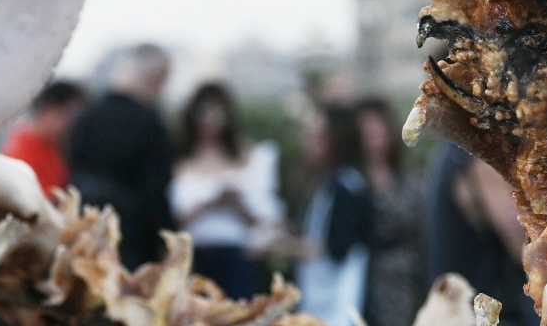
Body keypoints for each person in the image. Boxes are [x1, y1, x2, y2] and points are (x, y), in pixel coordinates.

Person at [169, 82, 284, 300]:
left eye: (218, 115)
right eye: (204, 114)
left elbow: (264, 220)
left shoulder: (248, 156)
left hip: (236, 257)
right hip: (193, 255)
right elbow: (169, 219)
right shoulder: (178, 159)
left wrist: (236, 204)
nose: (211, 123)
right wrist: (206, 205)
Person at [67, 44, 175, 269]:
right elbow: (155, 194)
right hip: (132, 244)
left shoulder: (86, 118)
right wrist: (167, 243)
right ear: (156, 78)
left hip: (84, 236)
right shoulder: (150, 125)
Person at [425, 144, 539, 326]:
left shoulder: (453, 154)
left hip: (458, 300)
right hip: (480, 305)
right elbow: (521, 246)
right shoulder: (479, 154)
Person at [354, 98, 432, 326]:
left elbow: (420, 225)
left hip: (404, 275)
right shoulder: (352, 181)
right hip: (362, 273)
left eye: (379, 133)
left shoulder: (407, 179)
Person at [296, 104, 373, 324]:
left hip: (339, 301)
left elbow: (337, 247)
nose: (310, 141)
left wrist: (285, 245)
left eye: (318, 136)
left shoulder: (348, 186)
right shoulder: (330, 183)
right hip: (321, 298)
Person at [1, 80, 85, 195]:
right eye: (70, 117)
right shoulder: (23, 150)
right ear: (50, 110)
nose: (73, 126)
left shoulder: (53, 147)